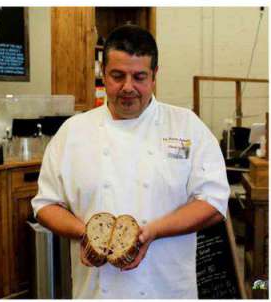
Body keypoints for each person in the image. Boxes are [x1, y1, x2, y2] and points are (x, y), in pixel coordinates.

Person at [31, 25, 229, 299]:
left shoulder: (187, 127)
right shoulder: (74, 132)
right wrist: (85, 234)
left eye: (139, 77)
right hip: (96, 292)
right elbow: (45, 205)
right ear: (102, 72)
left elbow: (214, 203)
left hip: (167, 289)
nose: (128, 87)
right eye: (117, 76)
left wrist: (154, 232)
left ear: (154, 76)